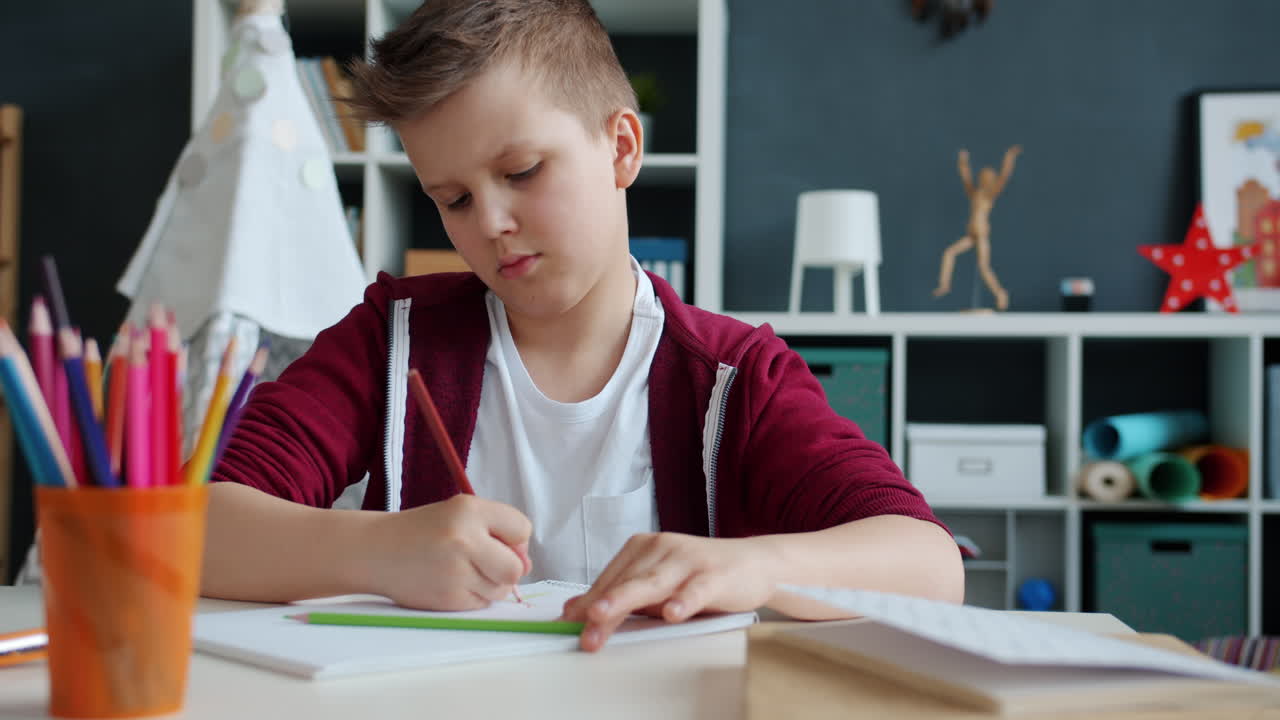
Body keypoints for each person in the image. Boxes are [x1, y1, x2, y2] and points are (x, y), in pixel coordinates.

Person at [204, 0, 963, 652]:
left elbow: (930, 565)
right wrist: (381, 552)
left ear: (622, 148)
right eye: (454, 199)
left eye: (523, 171)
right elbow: (199, 530)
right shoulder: (391, 336)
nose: (492, 223)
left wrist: (753, 568)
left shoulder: (734, 377)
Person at [933, 145, 1022, 311]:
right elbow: (965, 177)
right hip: (972, 235)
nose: (982, 178)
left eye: (986, 177)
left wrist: (1009, 157)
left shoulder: (990, 195)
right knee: (949, 252)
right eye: (981, 176)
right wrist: (963, 161)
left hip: (981, 235)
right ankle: (944, 284)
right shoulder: (975, 194)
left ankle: (1000, 294)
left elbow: (1004, 175)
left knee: (984, 268)